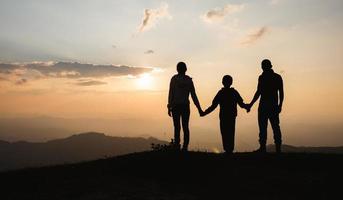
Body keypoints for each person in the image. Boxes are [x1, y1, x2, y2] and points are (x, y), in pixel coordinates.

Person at [200, 75, 249, 154]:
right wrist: (247, 107)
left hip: (223, 116)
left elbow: (213, 106)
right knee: (231, 132)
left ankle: (227, 149)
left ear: (222, 82)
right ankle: (230, 150)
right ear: (231, 82)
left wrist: (204, 113)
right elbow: (241, 104)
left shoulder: (221, 93)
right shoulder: (234, 92)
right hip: (232, 116)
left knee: (224, 132)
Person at [248, 59, 284, 153]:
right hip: (268, 106)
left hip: (268, 106)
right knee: (267, 127)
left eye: (263, 65)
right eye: (262, 65)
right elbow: (259, 92)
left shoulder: (275, 77)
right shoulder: (266, 77)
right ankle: (268, 148)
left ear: (268, 66)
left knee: (272, 127)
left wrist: (280, 105)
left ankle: (275, 148)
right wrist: (251, 104)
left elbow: (281, 92)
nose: (262, 67)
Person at [168, 62, 202, 151]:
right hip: (185, 106)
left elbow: (171, 93)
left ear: (177, 69)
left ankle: (177, 146)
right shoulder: (188, 80)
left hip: (175, 106)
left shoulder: (174, 79)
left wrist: (169, 106)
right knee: (185, 127)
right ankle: (185, 147)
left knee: (177, 127)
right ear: (185, 69)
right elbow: (194, 95)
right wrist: (199, 108)